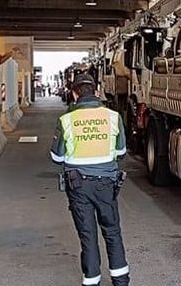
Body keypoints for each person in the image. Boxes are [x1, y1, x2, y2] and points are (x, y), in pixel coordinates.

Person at [50, 73, 130, 286]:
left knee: (88, 235)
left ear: (74, 93)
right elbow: (121, 152)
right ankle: (121, 280)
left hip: (78, 185)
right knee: (112, 231)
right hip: (106, 184)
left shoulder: (67, 120)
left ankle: (92, 280)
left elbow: (56, 157)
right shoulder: (113, 117)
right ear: (95, 91)